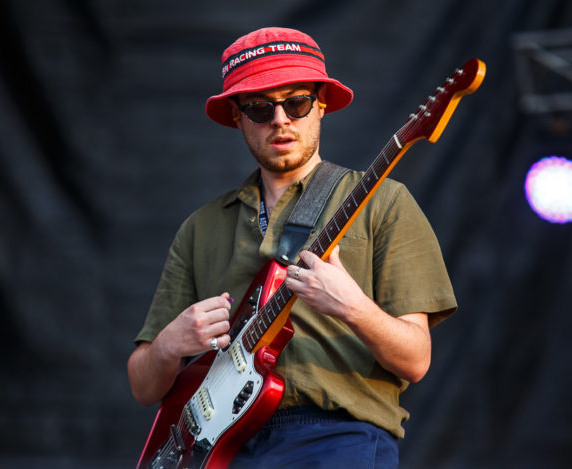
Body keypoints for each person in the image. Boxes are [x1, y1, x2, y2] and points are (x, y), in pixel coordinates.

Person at [127, 27, 457, 468]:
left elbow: (416, 360)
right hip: (223, 447)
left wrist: (352, 307)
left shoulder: (384, 202)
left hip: (338, 439)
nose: (280, 119)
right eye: (260, 108)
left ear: (321, 104)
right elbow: (143, 385)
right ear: (237, 117)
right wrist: (170, 344)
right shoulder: (200, 227)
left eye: (297, 103)